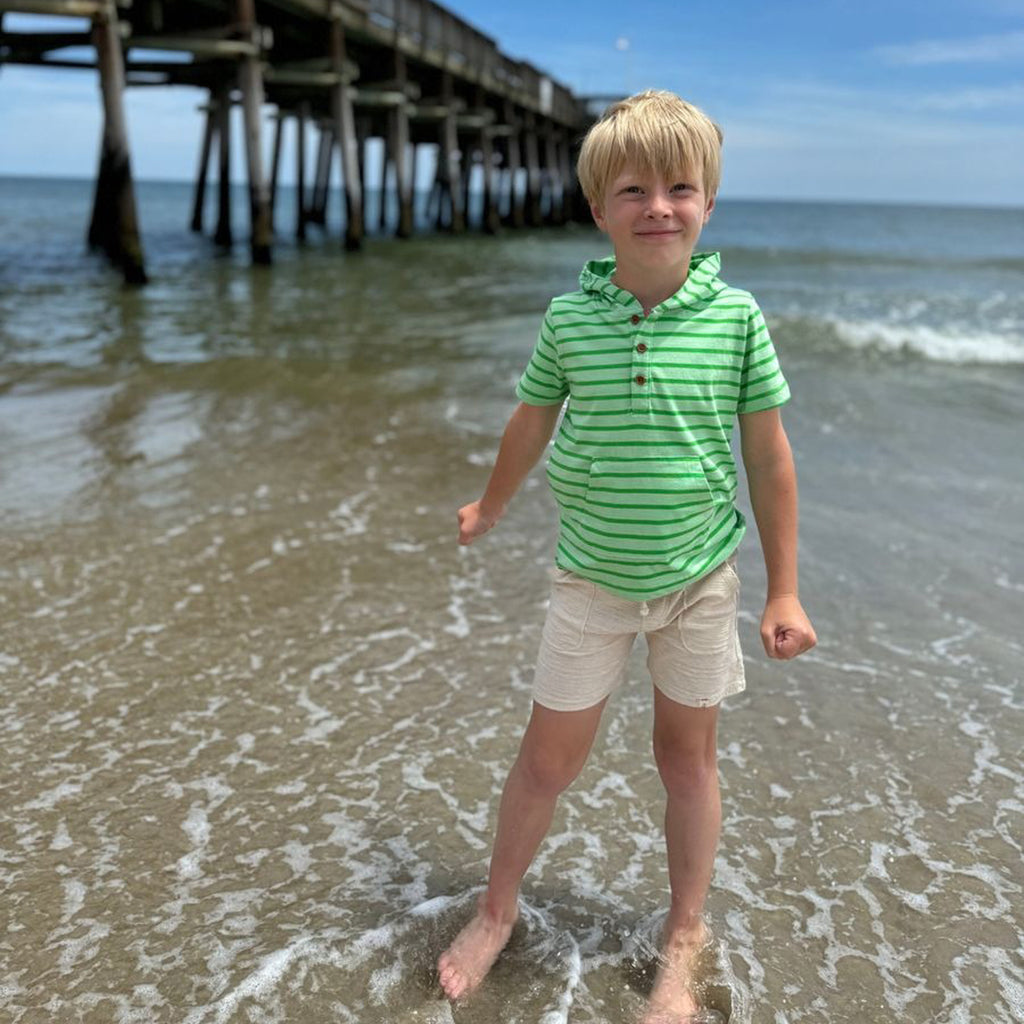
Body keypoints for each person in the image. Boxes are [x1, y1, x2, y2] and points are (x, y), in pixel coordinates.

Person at [437, 89, 816, 1021]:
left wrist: (785, 591)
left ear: (709, 204)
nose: (659, 205)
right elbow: (533, 420)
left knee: (686, 760)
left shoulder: (737, 320)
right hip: (591, 582)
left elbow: (769, 460)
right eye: (635, 188)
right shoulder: (572, 320)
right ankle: (496, 909)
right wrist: (491, 503)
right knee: (546, 760)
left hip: (697, 582)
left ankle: (684, 936)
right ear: (598, 208)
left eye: (681, 187)